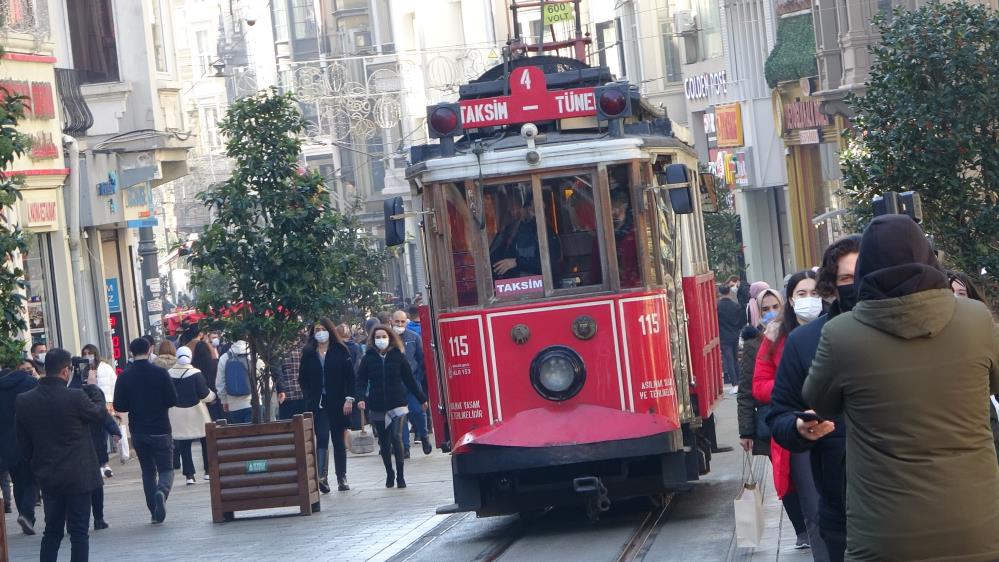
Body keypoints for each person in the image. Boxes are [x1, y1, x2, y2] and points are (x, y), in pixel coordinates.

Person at [804, 215, 999, 561]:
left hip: (883, 532)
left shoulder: (842, 335)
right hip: (976, 525)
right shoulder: (975, 319)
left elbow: (819, 401)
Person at [767, 235, 860, 562]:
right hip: (842, 507)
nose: (856, 285)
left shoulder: (907, 334)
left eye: (863, 275)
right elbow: (779, 415)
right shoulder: (805, 341)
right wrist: (797, 428)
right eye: (846, 279)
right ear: (832, 286)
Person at [753, 270, 822, 553]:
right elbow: (758, 385)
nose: (809, 299)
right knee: (814, 509)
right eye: (802, 294)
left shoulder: (837, 328)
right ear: (791, 300)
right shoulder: (775, 337)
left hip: (838, 427)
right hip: (799, 428)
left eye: (815, 293)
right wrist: (792, 388)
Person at [16, 348, 105, 560]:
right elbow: (98, 415)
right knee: (79, 532)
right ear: (66, 370)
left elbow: (24, 443)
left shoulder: (25, 400)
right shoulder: (75, 396)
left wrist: (36, 461)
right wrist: (94, 390)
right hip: (79, 475)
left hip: (48, 474)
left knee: (52, 531)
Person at [736, 288, 808, 543]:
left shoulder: (794, 334)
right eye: (764, 309)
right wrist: (746, 431)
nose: (771, 313)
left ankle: (810, 522)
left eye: (775, 307)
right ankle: (801, 530)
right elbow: (746, 391)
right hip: (771, 423)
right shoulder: (754, 342)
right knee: (784, 477)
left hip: (800, 415)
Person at [113, 338, 178, 524]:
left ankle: (154, 512)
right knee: (166, 469)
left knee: (148, 471)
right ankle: (162, 492)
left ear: (131, 352)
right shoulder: (160, 373)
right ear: (149, 350)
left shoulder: (125, 376)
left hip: (139, 430)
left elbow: (119, 405)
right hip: (161, 428)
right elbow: (172, 399)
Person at [357, 326, 428, 489]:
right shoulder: (368, 359)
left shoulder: (398, 356)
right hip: (377, 404)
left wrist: (422, 399)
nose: (381, 340)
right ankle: (390, 473)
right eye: (377, 337)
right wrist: (360, 398)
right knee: (384, 442)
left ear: (390, 338)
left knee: (396, 437)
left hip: (398, 404)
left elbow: (410, 380)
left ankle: (401, 476)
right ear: (373, 340)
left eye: (384, 336)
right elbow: (361, 380)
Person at [947, 271, 999, 464]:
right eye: (948, 293)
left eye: (961, 293)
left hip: (983, 432)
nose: (955, 299)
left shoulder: (987, 336)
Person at [298, 319, 356, 493]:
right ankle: (322, 477)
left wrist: (349, 399)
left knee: (338, 440)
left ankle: (341, 477)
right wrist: (309, 396)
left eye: (323, 329)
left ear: (330, 331)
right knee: (322, 437)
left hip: (339, 402)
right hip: (319, 403)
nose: (320, 332)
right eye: (317, 329)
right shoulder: (309, 353)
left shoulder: (340, 350)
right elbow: (303, 378)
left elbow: (350, 377)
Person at [0, 360, 38, 534]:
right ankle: (26, 514)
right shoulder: (30, 382)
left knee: (17, 480)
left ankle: (25, 515)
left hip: (6, 441)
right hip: (28, 437)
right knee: (32, 479)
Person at [168, 346, 215, 486]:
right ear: (190, 357)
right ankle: (208, 471)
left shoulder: (169, 374)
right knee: (205, 441)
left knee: (184, 443)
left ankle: (189, 475)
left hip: (177, 414)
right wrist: (213, 395)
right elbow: (204, 395)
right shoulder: (196, 373)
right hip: (197, 413)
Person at [81, 383, 120, 531]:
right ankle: (98, 519)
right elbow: (107, 420)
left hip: (77, 452)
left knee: (79, 488)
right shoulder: (98, 410)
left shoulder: (75, 405)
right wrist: (115, 432)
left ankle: (78, 521)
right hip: (96, 450)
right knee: (96, 486)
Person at [392, 310, 432, 457]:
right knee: (400, 416)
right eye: (397, 321)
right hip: (396, 385)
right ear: (392, 321)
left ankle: (424, 436)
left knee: (418, 411)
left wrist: (418, 377)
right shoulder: (388, 338)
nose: (399, 324)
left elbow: (421, 359)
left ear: (407, 322)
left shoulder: (414, 337)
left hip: (413, 382)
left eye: (402, 321)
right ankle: (405, 447)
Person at [82, 344, 117, 478]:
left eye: (89, 353)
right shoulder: (83, 369)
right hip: (90, 404)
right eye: (85, 354)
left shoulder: (105, 368)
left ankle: (104, 463)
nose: (87, 356)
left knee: (103, 434)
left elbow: (113, 384)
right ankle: (99, 464)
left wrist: (112, 402)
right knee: (95, 435)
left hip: (105, 403)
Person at [191, 336, 221, 479]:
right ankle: (214, 466)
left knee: (204, 436)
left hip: (199, 406)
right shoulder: (215, 364)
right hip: (215, 403)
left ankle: (207, 470)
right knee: (215, 434)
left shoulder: (193, 369)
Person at [216, 340, 254, 424]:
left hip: (233, 405)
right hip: (253, 402)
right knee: (254, 431)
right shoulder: (254, 356)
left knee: (238, 431)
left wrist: (224, 401)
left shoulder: (224, 358)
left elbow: (220, 383)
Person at [717, 285, 744, 386]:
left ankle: (734, 382)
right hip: (735, 334)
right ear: (729, 292)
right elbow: (740, 322)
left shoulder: (717, 307)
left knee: (729, 360)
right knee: (735, 358)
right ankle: (739, 379)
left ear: (719, 293)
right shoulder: (736, 306)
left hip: (724, 335)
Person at [277, 334, 307, 420]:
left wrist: (281, 389)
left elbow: (277, 372)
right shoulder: (305, 348)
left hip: (290, 395)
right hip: (293, 395)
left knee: (289, 425)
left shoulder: (279, 349)